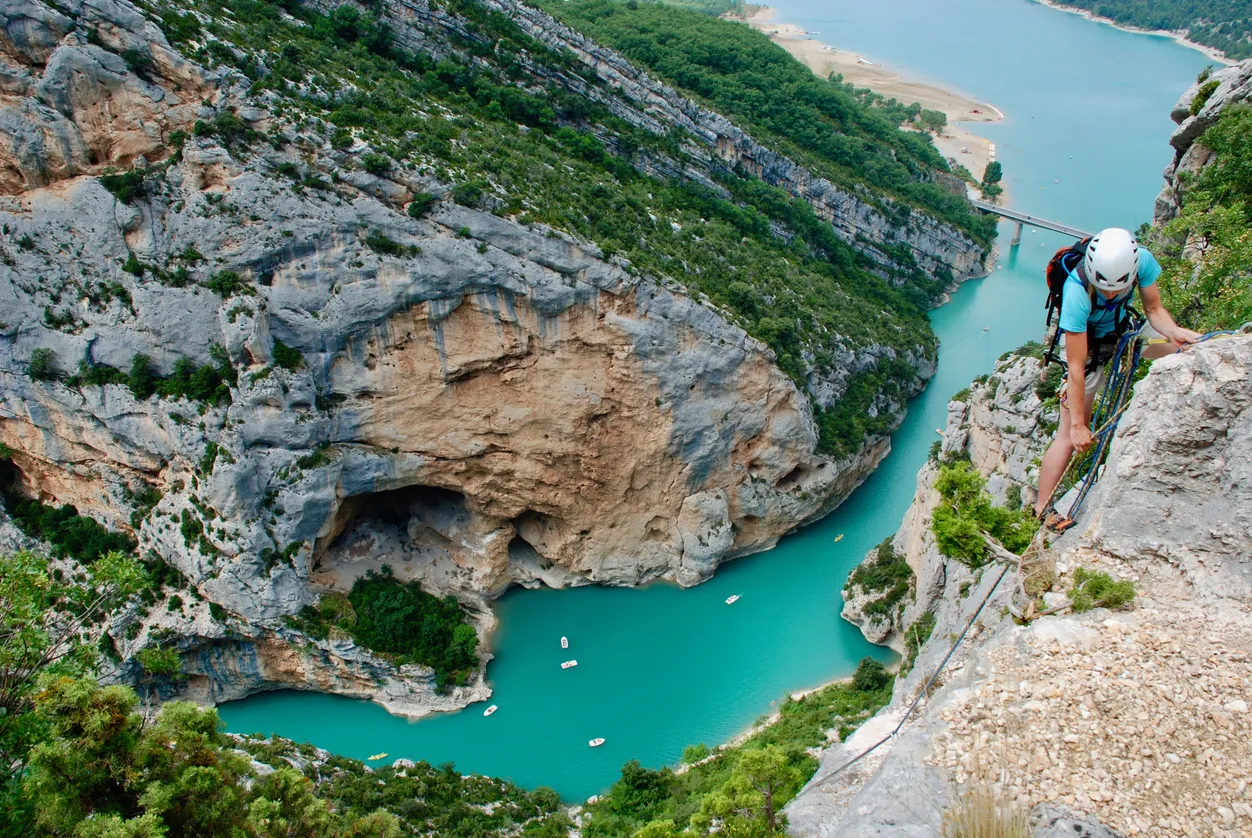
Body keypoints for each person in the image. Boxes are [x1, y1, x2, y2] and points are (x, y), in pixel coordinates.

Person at [1034, 227, 1201, 527]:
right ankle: (1043, 510)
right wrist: (1079, 426)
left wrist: (1175, 332)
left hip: (1125, 332)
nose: (1110, 294)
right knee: (1069, 437)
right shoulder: (1077, 290)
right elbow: (1076, 366)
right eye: (1104, 288)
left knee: (1183, 349)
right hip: (1087, 348)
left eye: (1117, 288)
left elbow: (1154, 308)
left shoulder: (1142, 262)